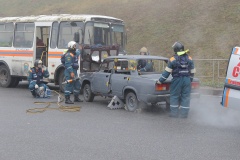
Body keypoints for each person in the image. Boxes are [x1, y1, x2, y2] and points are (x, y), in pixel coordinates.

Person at [157, 42, 196, 118]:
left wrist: (160, 80)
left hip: (177, 79)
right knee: (186, 96)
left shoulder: (173, 59)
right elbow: (193, 71)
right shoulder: (189, 58)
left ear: (175, 50)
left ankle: (174, 114)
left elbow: (167, 72)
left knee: (174, 96)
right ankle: (184, 114)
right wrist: (190, 80)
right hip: (187, 79)